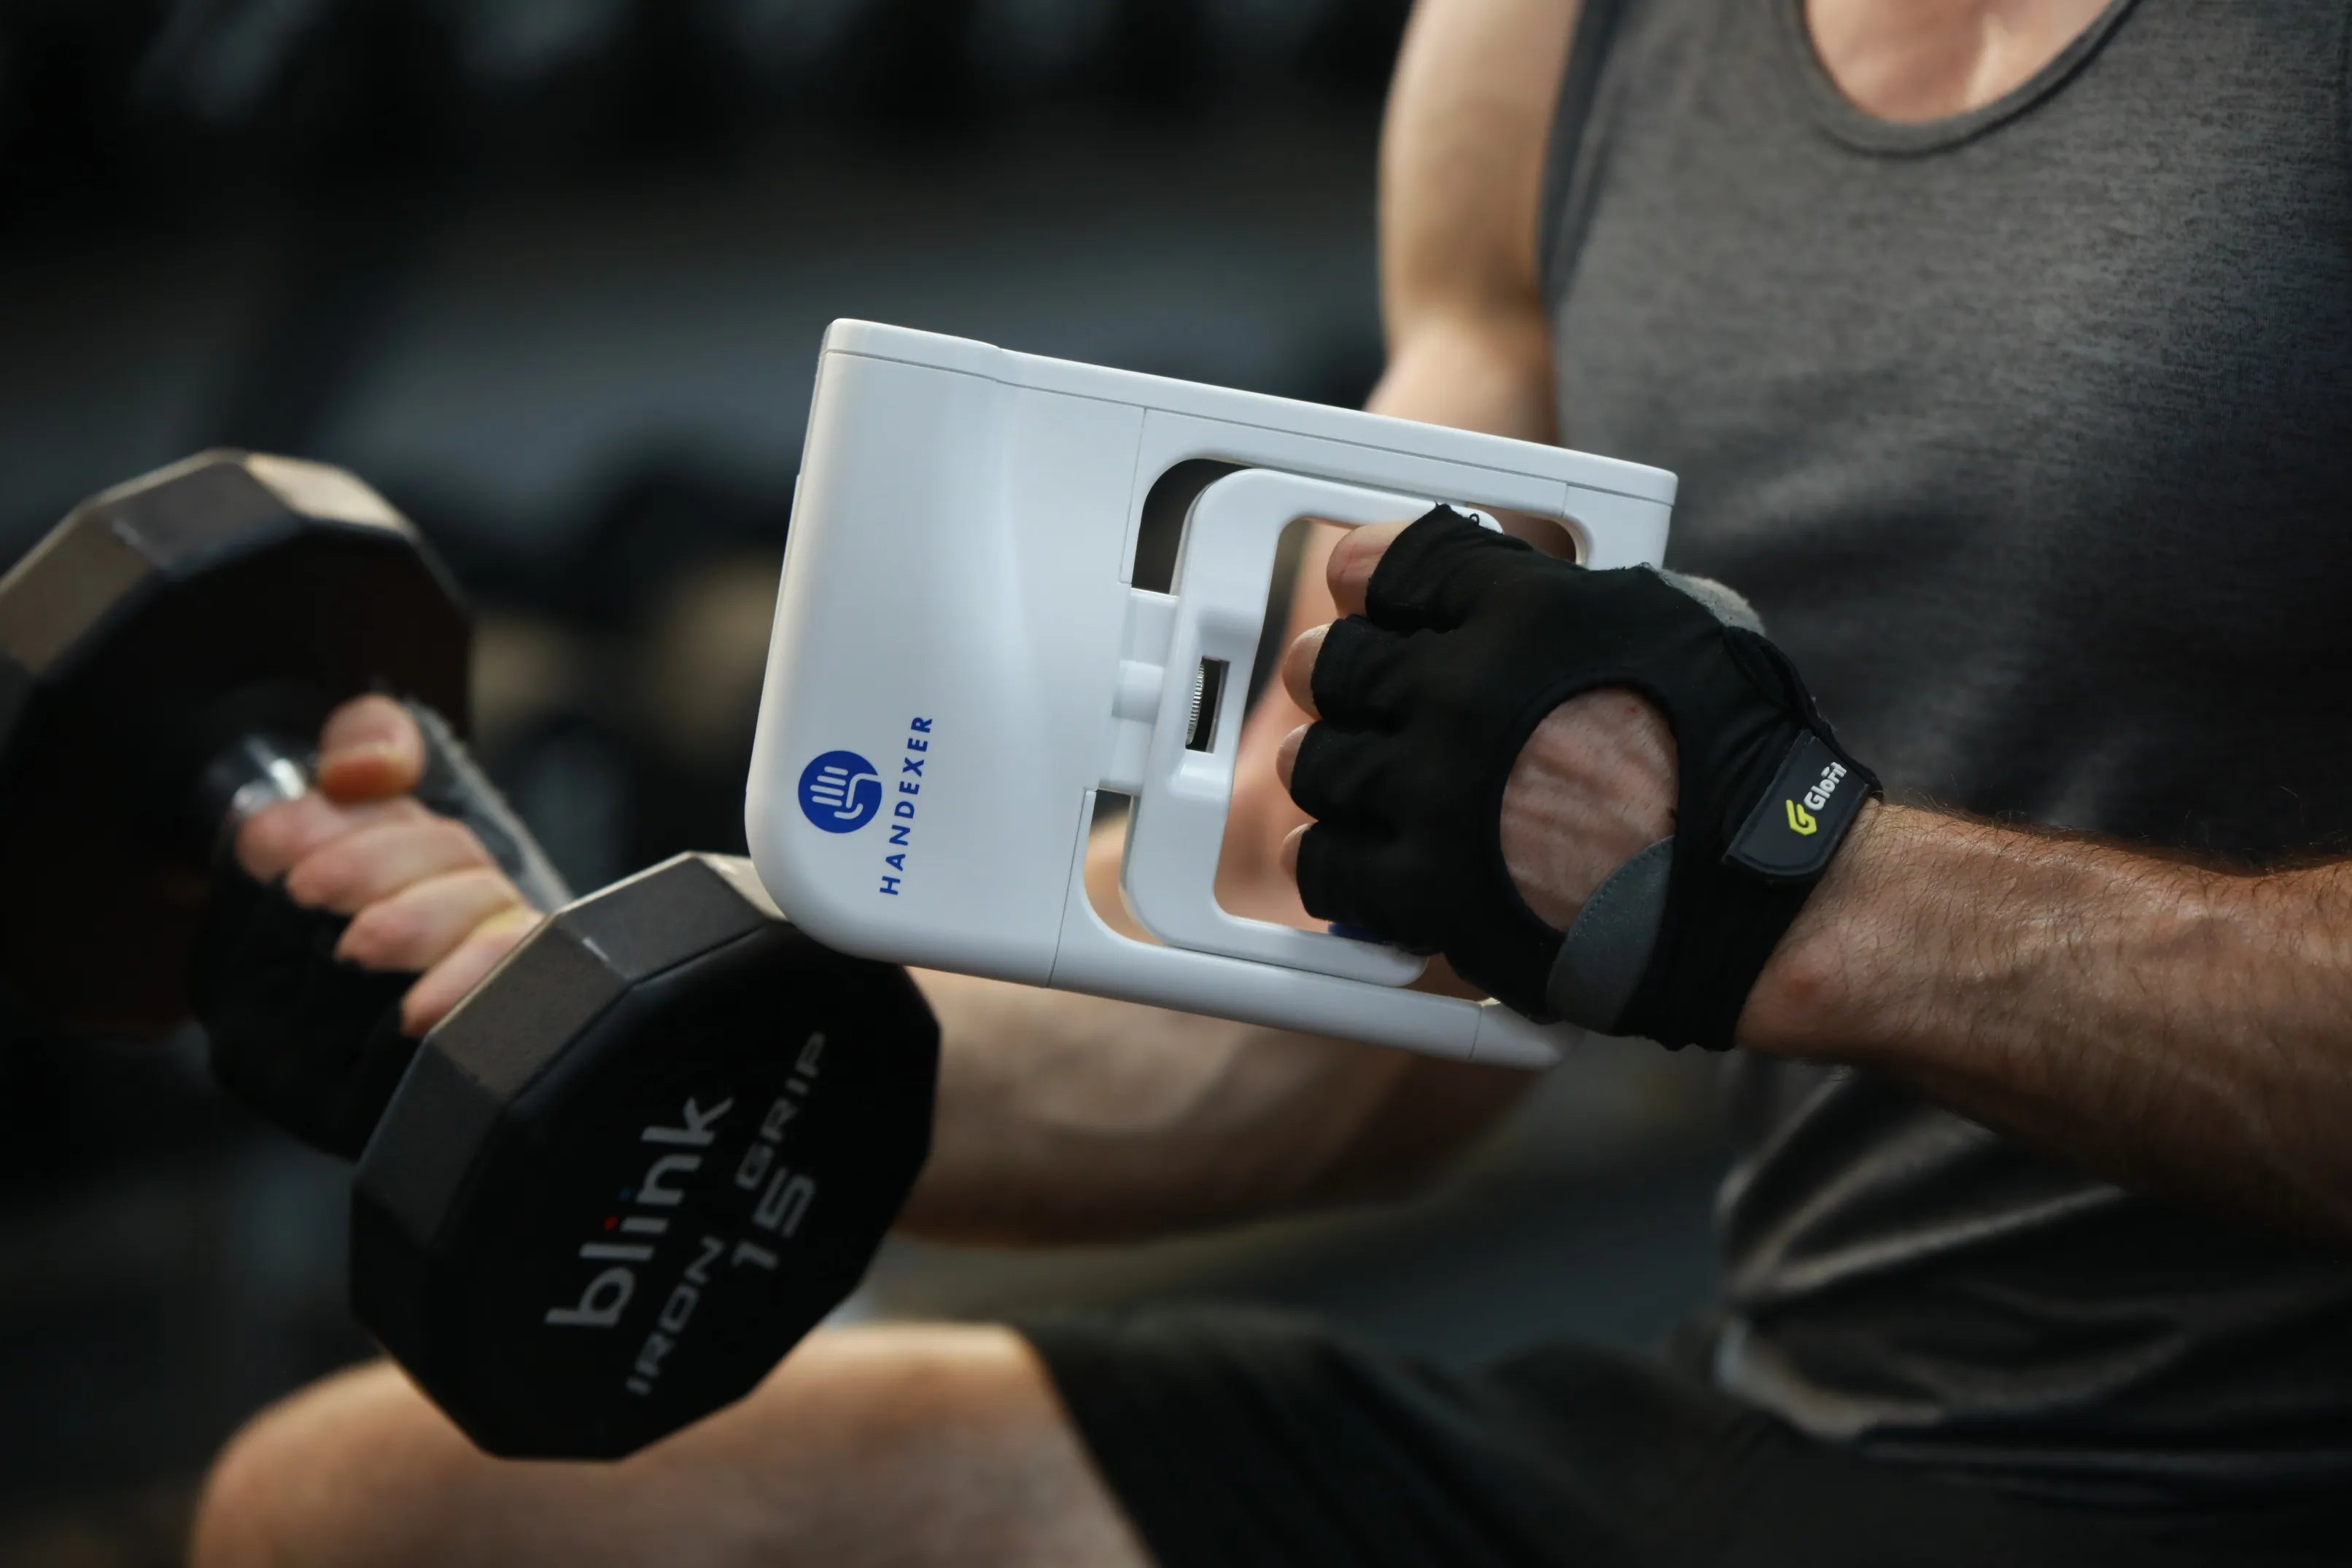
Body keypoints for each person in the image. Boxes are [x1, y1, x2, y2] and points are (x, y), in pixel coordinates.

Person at [190, 0, 2352, 1563]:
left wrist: (1814, 891)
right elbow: (1356, 993)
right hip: (1811, 1435)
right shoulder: (1548, 44)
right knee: (363, 1511)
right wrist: (662, 1038)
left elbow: (1730, 874)